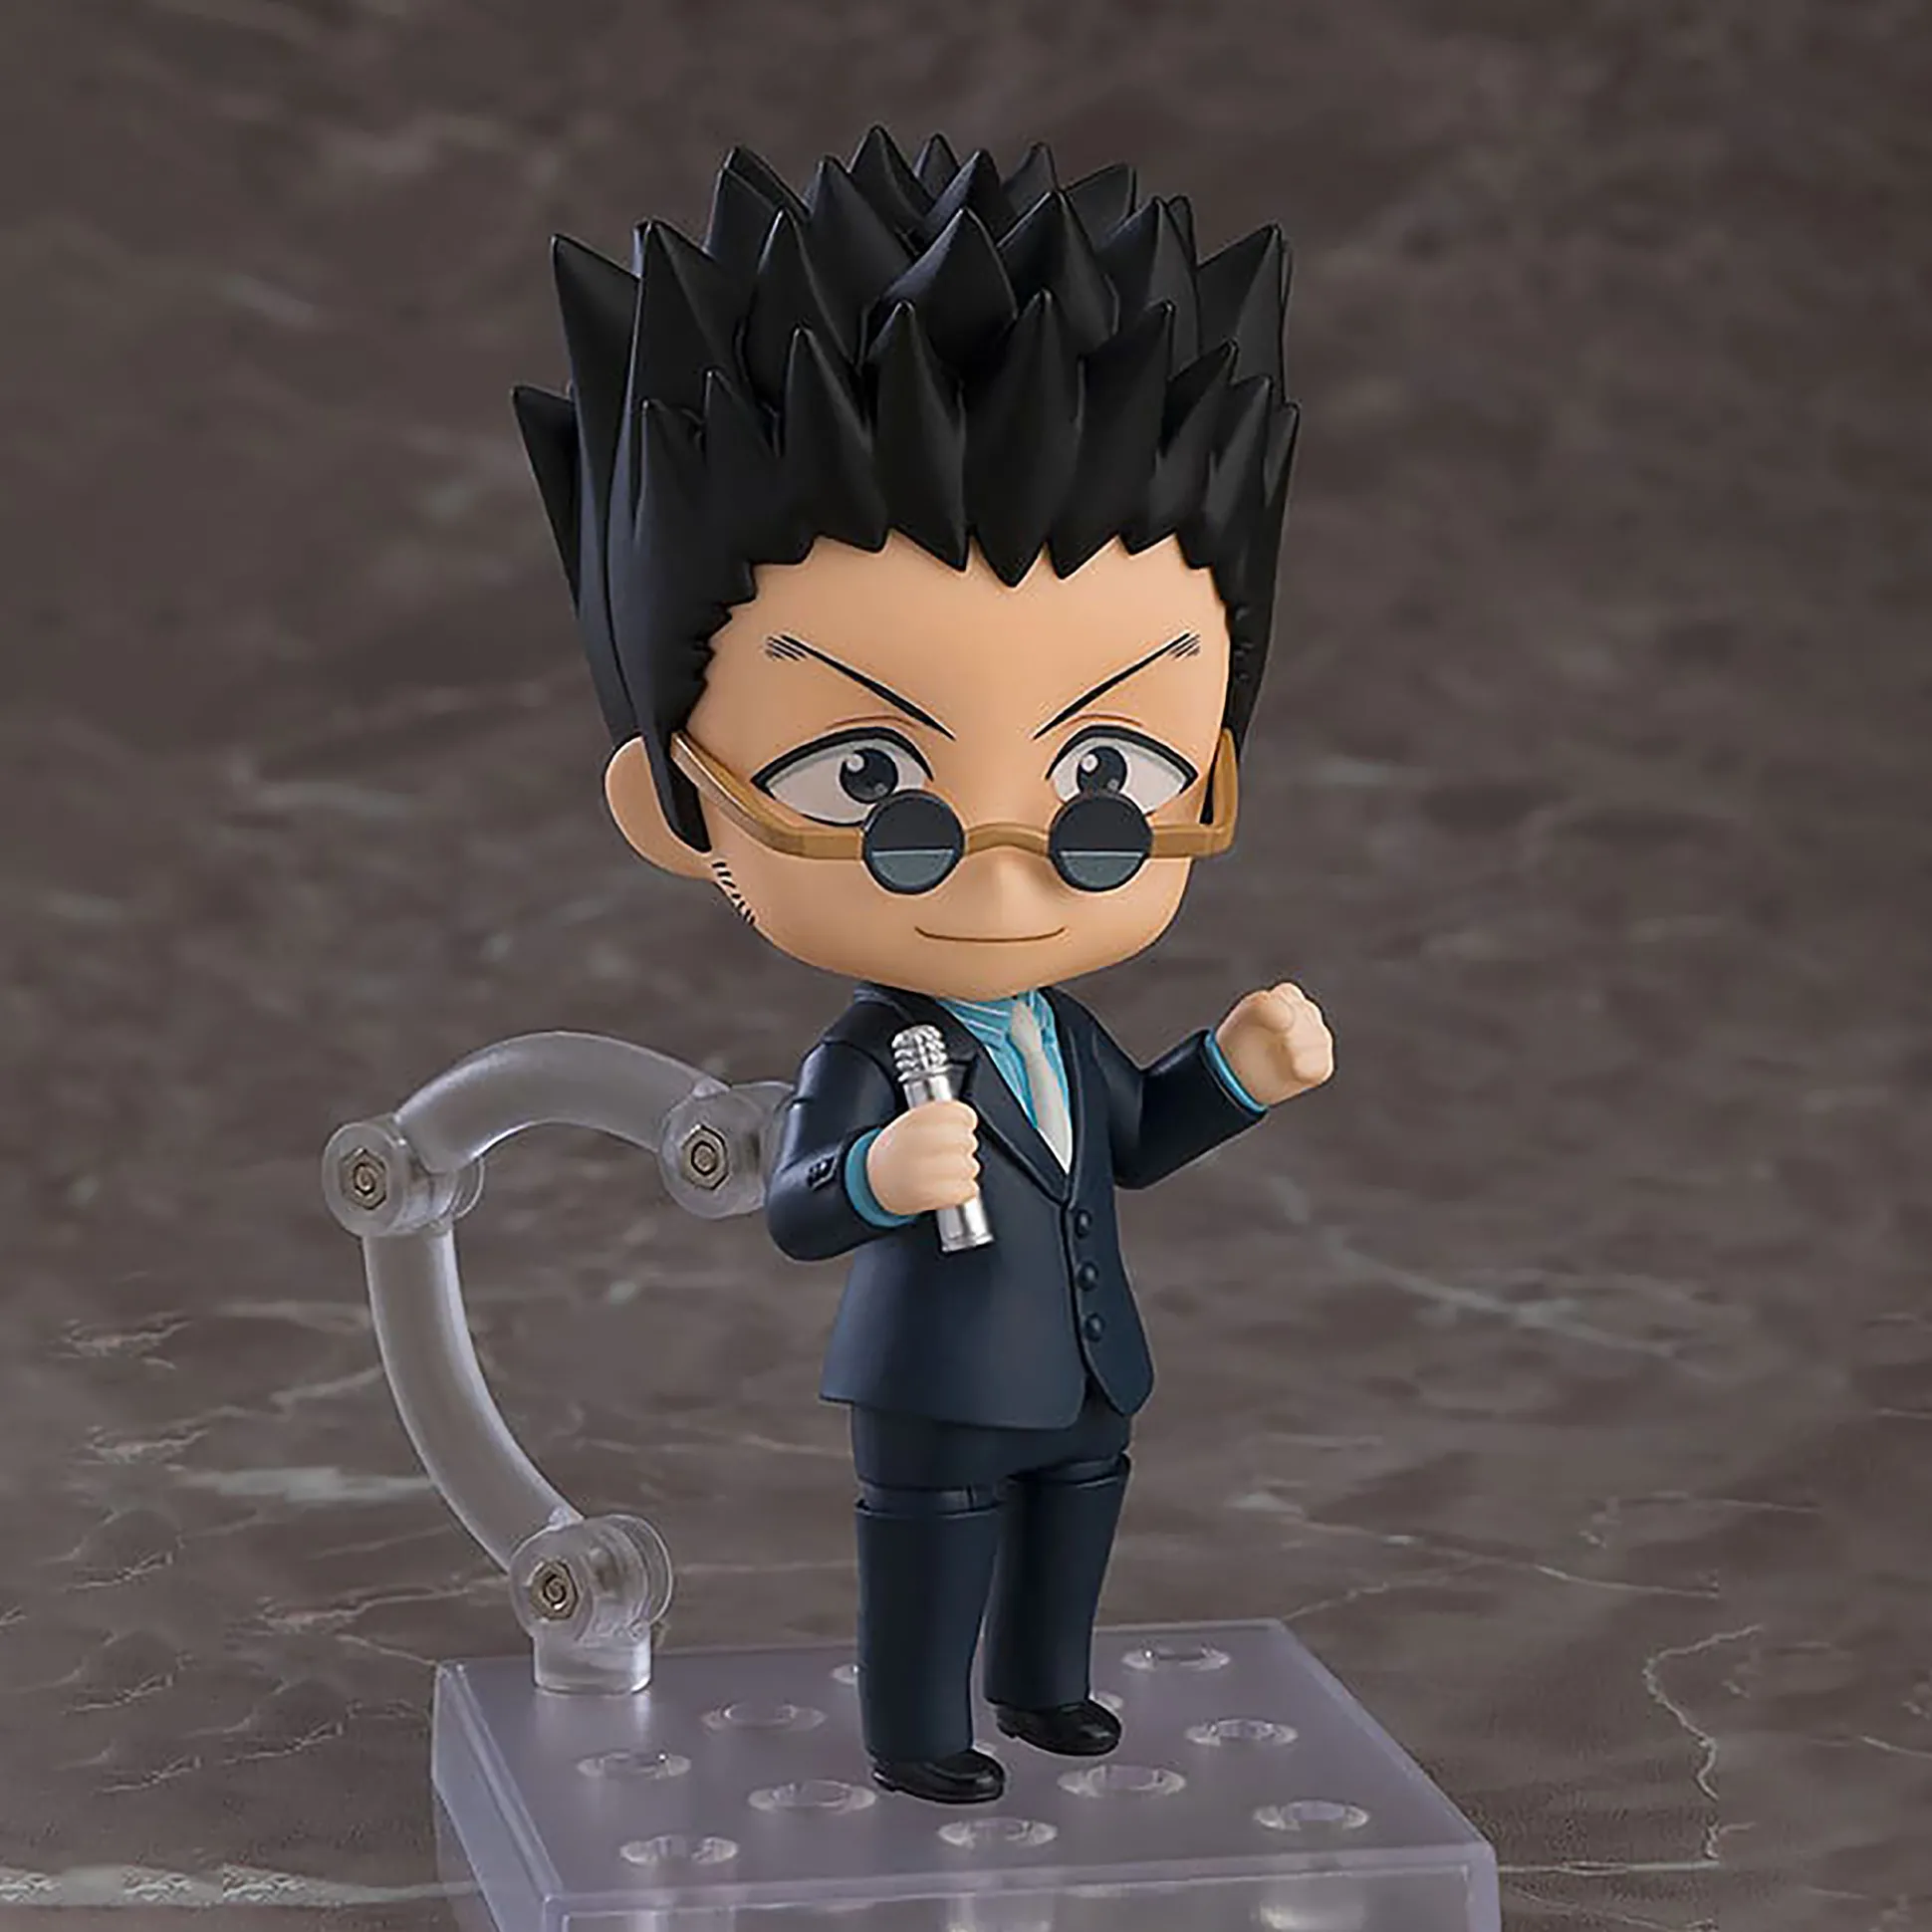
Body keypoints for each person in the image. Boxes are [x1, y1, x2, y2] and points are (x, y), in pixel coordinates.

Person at [515, 129, 1333, 1805]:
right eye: (873, 790)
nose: (1005, 864)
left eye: (1107, 785)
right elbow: (796, 1205)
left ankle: (1045, 1689)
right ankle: (919, 1730)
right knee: (933, 1542)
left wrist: (1232, 1076)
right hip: (939, 1380)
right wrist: (879, 1176)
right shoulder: (868, 1056)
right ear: (677, 809)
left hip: (1086, 1366)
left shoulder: (1062, 1029)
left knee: (1074, 1525)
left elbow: (1128, 1141)